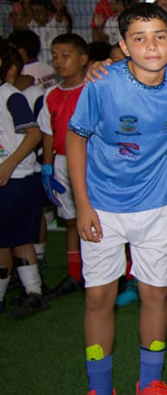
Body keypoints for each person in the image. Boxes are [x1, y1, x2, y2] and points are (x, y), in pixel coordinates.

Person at [55, 2, 167, 395]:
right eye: (139, 38)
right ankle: (100, 394)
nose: (151, 46)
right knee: (99, 297)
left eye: (159, 36)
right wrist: (83, 206)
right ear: (123, 45)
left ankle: (150, 385)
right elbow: (76, 139)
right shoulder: (102, 83)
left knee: (155, 294)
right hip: (102, 209)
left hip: (154, 209)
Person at [37, 33, 89, 299]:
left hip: (91, 161)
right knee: (70, 221)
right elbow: (48, 132)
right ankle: (74, 274)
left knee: (100, 219)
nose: (59, 61)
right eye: (55, 56)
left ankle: (118, 275)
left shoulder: (92, 90)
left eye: (65, 56)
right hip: (61, 162)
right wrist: (47, 169)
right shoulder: (51, 94)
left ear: (83, 59)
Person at [0, 38, 46, 318]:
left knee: (17, 239)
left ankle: (34, 293)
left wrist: (9, 164)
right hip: (7, 178)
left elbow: (35, 133)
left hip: (17, 178)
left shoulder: (10, 96)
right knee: (5, 240)